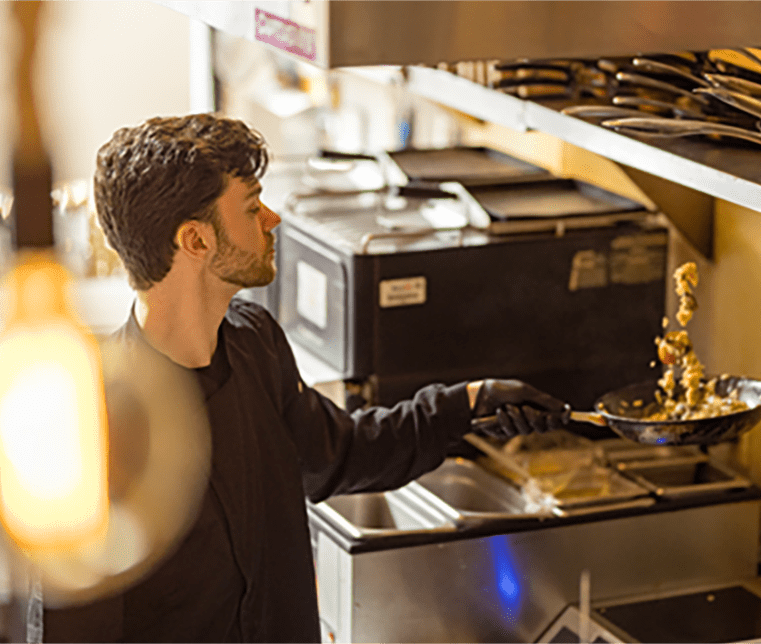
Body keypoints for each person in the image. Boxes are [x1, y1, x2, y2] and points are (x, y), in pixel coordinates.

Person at [44, 113, 567, 643]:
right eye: (251, 208)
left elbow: (335, 453)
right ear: (196, 240)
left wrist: (467, 404)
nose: (271, 219)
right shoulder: (95, 429)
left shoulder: (256, 343)